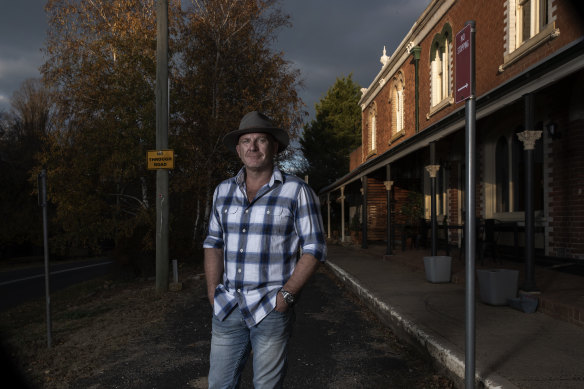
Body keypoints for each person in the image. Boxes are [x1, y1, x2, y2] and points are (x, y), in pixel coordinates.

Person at [203, 111, 327, 388]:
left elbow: (315, 247)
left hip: (270, 308)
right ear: (238, 149)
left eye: (260, 140)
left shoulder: (297, 191)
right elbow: (213, 242)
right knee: (218, 385)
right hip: (228, 306)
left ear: (274, 147)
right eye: (246, 141)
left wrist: (287, 295)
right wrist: (213, 291)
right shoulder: (223, 191)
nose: (253, 147)